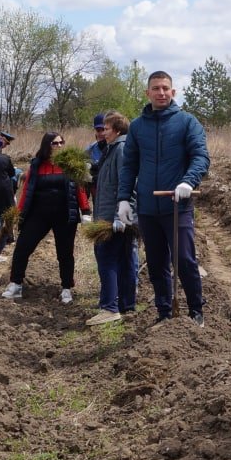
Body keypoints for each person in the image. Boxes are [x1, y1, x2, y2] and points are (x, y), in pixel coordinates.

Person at [116, 71, 210, 325]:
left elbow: (201, 157)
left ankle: (195, 312)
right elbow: (129, 166)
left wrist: (187, 182)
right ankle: (164, 313)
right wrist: (124, 199)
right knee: (156, 264)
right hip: (148, 208)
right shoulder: (137, 127)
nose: (161, 93)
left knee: (184, 259)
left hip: (177, 205)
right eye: (156, 88)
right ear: (147, 93)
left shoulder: (188, 123)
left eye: (165, 88)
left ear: (173, 92)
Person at [2, 132, 90, 303]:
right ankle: (16, 284)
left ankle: (66, 288)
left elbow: (79, 188)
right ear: (46, 145)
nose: (58, 146)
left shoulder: (69, 165)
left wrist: (86, 211)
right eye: (54, 143)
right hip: (38, 215)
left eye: (60, 143)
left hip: (64, 215)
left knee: (65, 253)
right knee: (22, 248)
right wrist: (18, 214)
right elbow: (27, 190)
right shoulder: (36, 165)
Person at [88, 112, 139, 326]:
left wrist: (120, 215)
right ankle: (126, 304)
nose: (103, 133)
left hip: (114, 218)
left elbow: (129, 184)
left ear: (117, 130)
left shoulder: (121, 149)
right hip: (115, 216)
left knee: (107, 258)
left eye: (106, 129)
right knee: (125, 259)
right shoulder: (112, 149)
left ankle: (109, 308)